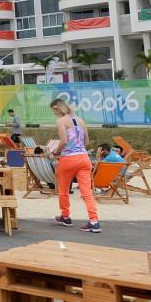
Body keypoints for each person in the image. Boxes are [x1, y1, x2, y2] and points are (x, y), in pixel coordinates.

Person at [50, 98, 100, 232]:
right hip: (84, 158)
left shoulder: (61, 121)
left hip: (68, 159)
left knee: (63, 190)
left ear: (56, 108)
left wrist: (55, 152)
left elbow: (64, 141)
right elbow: (86, 141)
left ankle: (65, 217)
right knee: (87, 192)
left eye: (54, 111)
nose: (54, 114)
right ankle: (94, 221)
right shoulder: (80, 120)